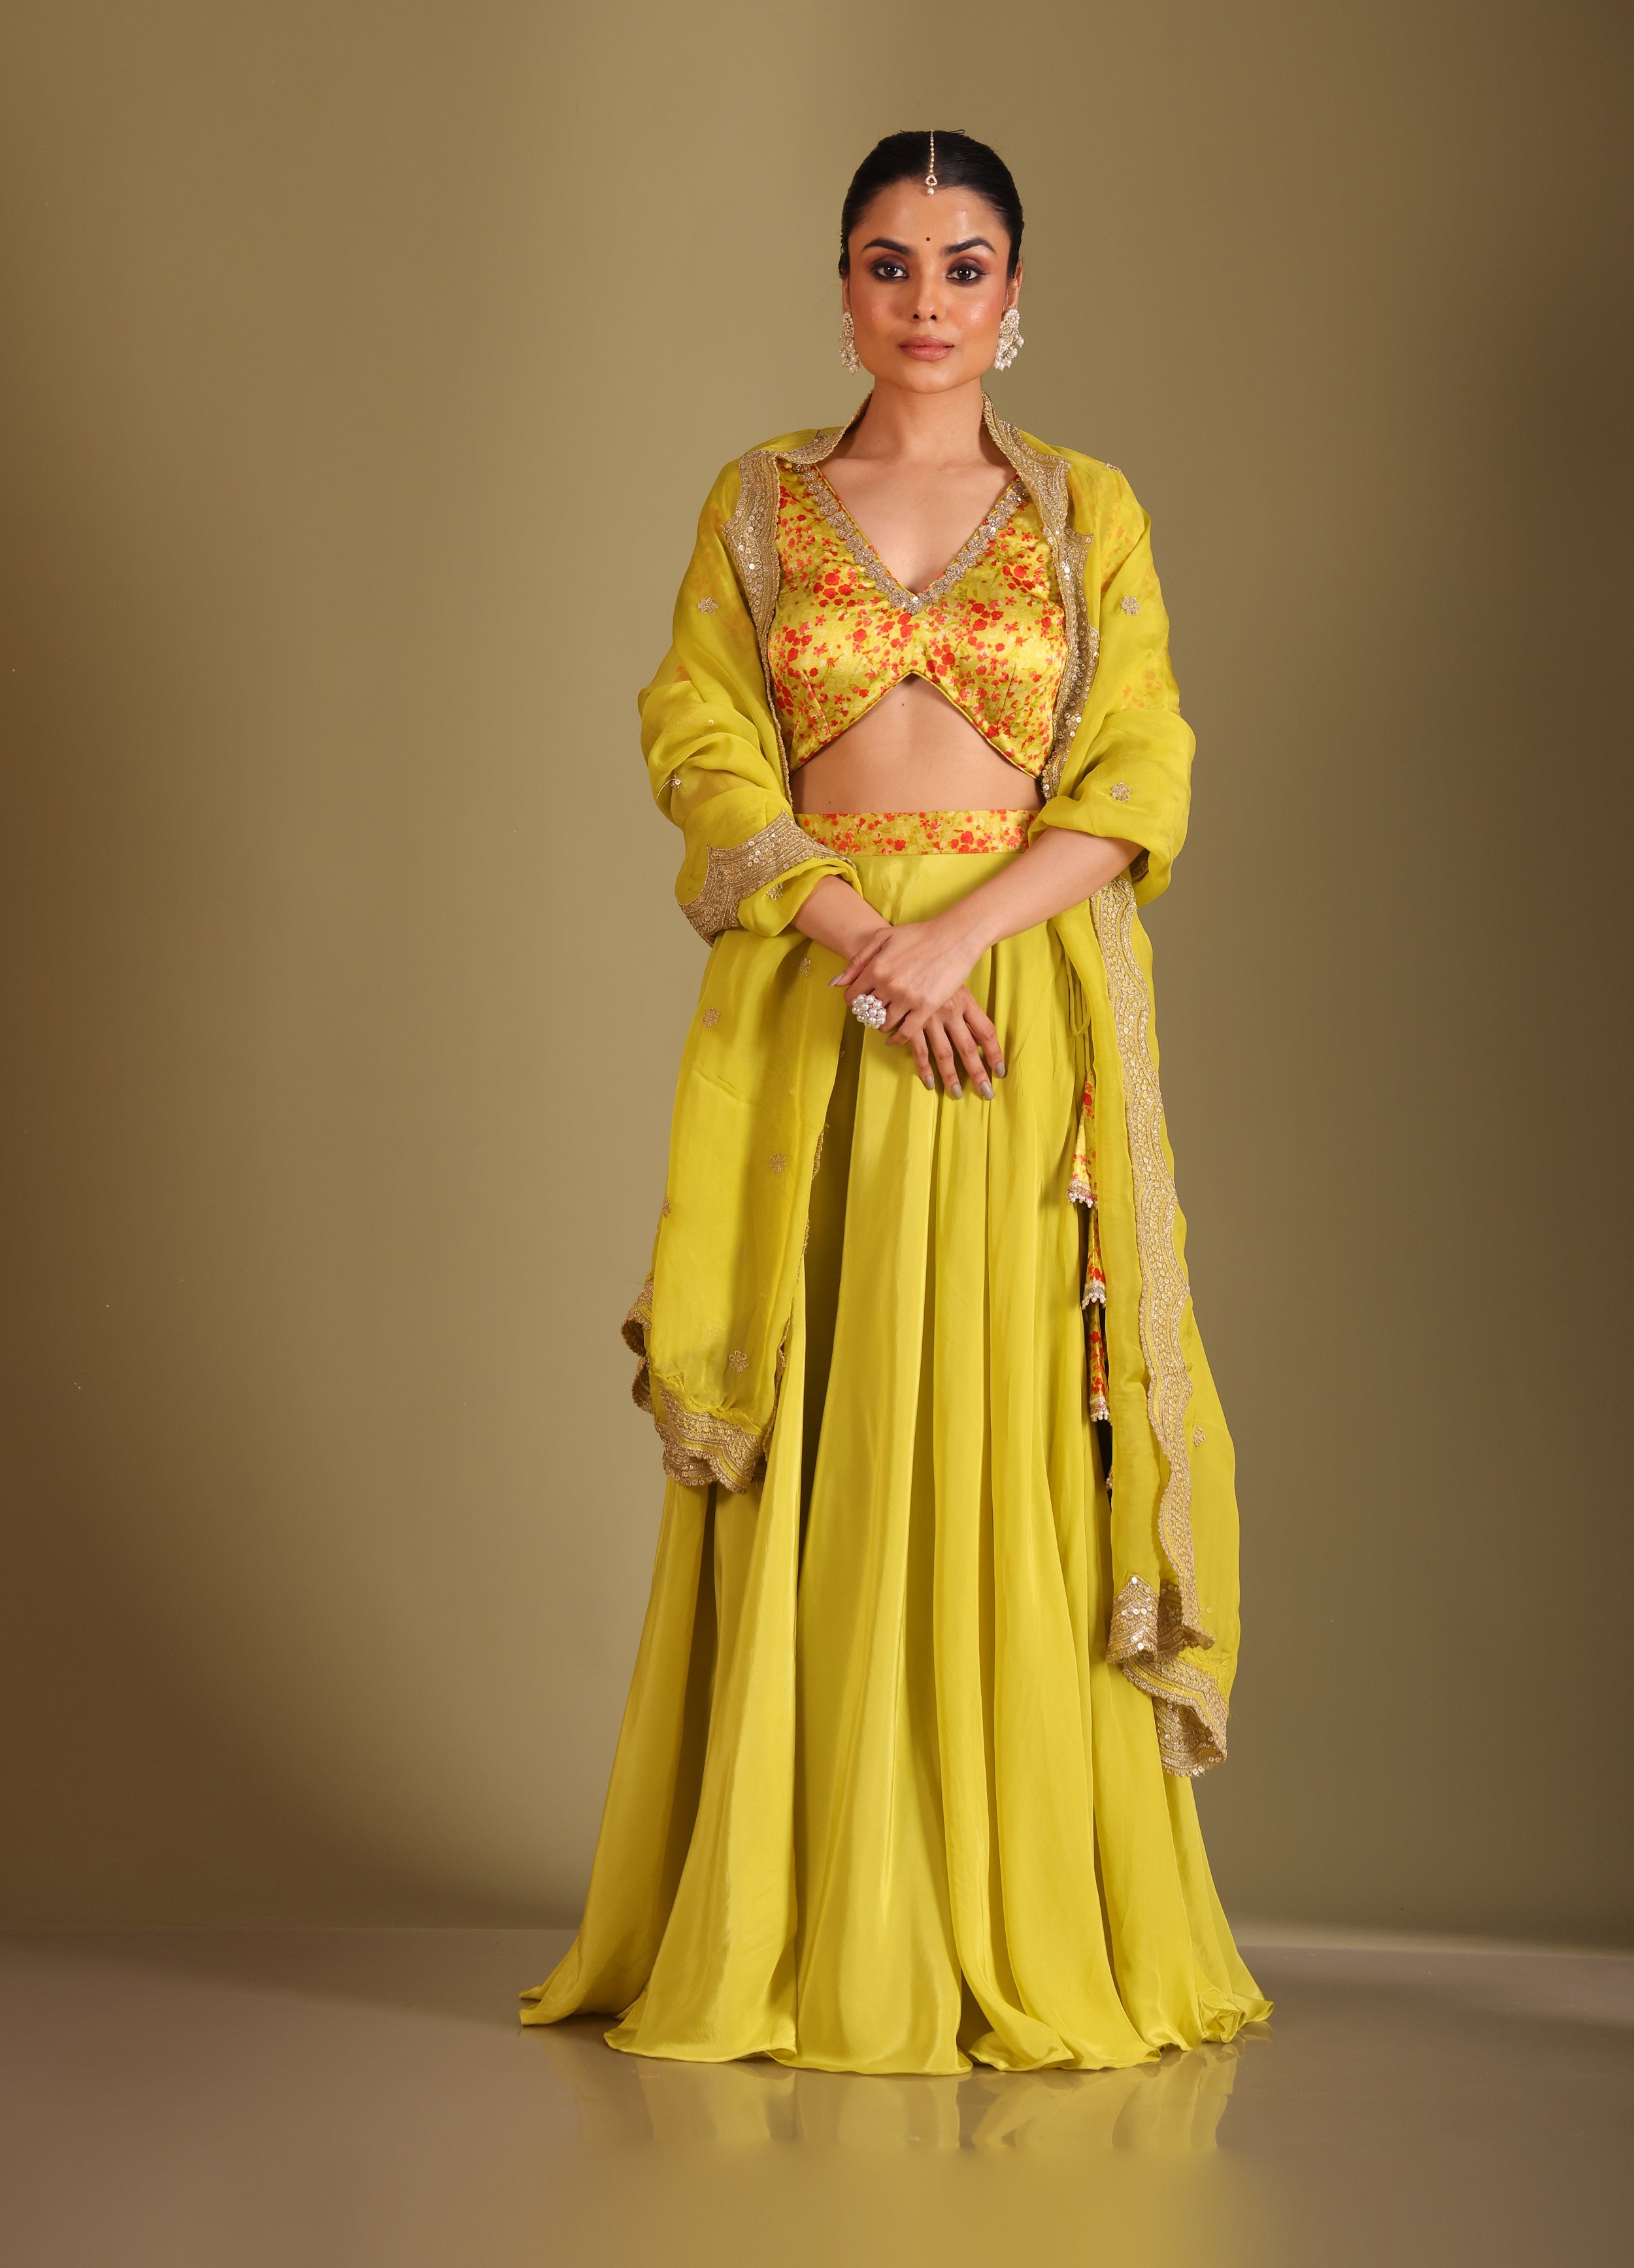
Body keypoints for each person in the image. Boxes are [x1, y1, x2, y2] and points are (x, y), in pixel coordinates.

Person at [522, 130, 1269, 2075]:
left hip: (1013, 1016)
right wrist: (868, 940)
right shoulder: (761, 504)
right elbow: (699, 741)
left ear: (1013, 299)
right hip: (822, 1003)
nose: (924, 299)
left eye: (962, 264)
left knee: (1007, 1420)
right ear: (840, 284)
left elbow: (1141, 767)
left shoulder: (1087, 507)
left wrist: (957, 945)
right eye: (887, 261)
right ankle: (792, 1907)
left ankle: (1015, 1900)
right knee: (829, 1407)